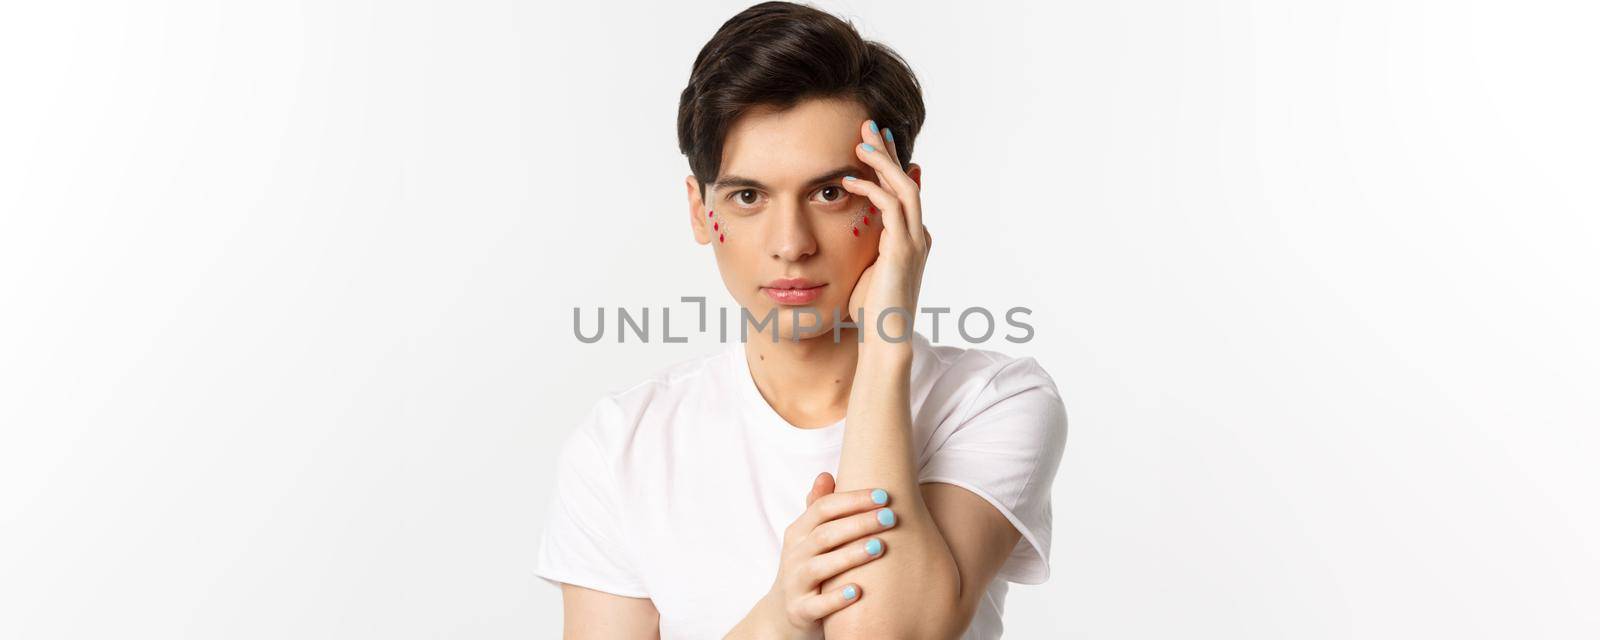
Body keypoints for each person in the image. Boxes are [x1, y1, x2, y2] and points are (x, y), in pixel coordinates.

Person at [534, 2, 1068, 637]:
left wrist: (884, 348)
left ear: (901, 197)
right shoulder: (622, 444)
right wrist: (779, 618)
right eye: (749, 196)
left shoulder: (992, 402)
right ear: (703, 214)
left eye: (831, 192)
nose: (791, 243)